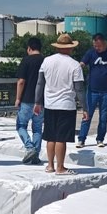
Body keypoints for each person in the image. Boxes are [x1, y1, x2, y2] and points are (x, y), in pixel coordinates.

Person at [34, 33, 88, 175]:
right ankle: (60, 167)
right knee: (61, 138)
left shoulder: (46, 61)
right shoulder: (75, 65)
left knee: (50, 137)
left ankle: (50, 165)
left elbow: (40, 83)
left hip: (49, 104)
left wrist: (37, 102)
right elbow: (79, 89)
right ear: (70, 48)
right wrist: (85, 108)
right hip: (66, 105)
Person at [76, 33, 107, 148]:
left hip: (106, 91)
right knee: (87, 115)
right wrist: (77, 66)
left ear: (104, 44)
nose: (97, 48)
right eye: (95, 46)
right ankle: (81, 139)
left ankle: (100, 139)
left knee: (103, 117)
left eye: (99, 46)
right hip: (92, 90)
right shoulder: (90, 53)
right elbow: (82, 63)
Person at [15, 37, 45, 164]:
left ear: (29, 48)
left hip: (27, 100)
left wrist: (18, 98)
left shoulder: (26, 60)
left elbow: (21, 81)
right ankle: (36, 154)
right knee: (37, 128)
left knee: (21, 125)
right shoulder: (45, 61)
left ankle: (29, 147)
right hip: (41, 101)